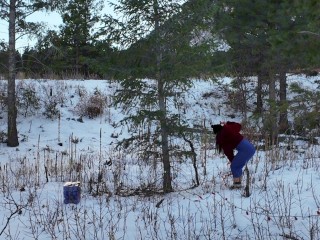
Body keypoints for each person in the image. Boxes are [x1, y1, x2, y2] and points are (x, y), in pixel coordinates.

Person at [211, 121, 255, 188]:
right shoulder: (229, 128)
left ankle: (237, 185)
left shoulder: (222, 137)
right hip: (250, 146)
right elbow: (238, 125)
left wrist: (232, 159)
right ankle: (238, 183)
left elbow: (228, 151)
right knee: (237, 166)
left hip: (245, 150)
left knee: (234, 166)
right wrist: (228, 123)